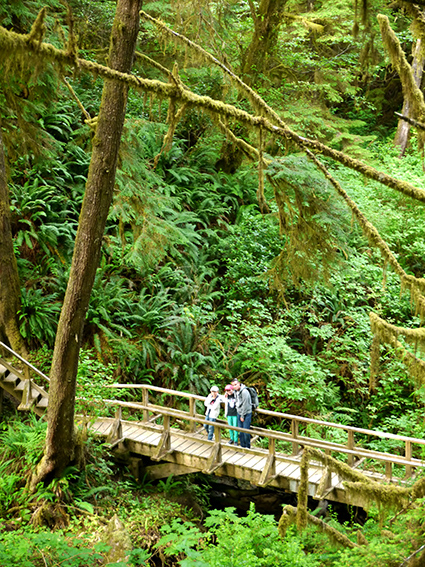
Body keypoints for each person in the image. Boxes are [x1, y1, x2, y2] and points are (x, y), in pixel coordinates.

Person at [231, 379, 252, 449]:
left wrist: (242, 416)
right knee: (241, 431)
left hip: (246, 413)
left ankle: (247, 446)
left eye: (236, 384)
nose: (234, 386)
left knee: (246, 431)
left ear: (239, 383)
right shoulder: (236, 392)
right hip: (239, 412)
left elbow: (246, 405)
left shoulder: (244, 392)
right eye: (233, 385)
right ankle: (242, 446)